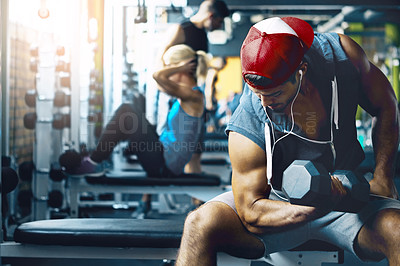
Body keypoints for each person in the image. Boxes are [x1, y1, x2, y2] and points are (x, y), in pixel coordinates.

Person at [176, 17, 400, 265]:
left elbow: (386, 104)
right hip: (278, 204)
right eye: (257, 94)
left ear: (300, 71)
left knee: (398, 232)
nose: (265, 103)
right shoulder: (250, 115)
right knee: (199, 224)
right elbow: (251, 211)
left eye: (275, 93)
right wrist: (316, 207)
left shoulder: (343, 58)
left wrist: (383, 177)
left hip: (348, 199)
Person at [69, 44, 209, 189]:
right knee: (130, 114)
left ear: (183, 68)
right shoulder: (187, 93)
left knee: (126, 112)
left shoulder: (194, 95)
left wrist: (180, 67)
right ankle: (96, 158)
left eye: (168, 66)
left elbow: (158, 76)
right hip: (163, 156)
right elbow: (160, 81)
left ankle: (93, 163)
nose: (167, 70)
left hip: (164, 167)